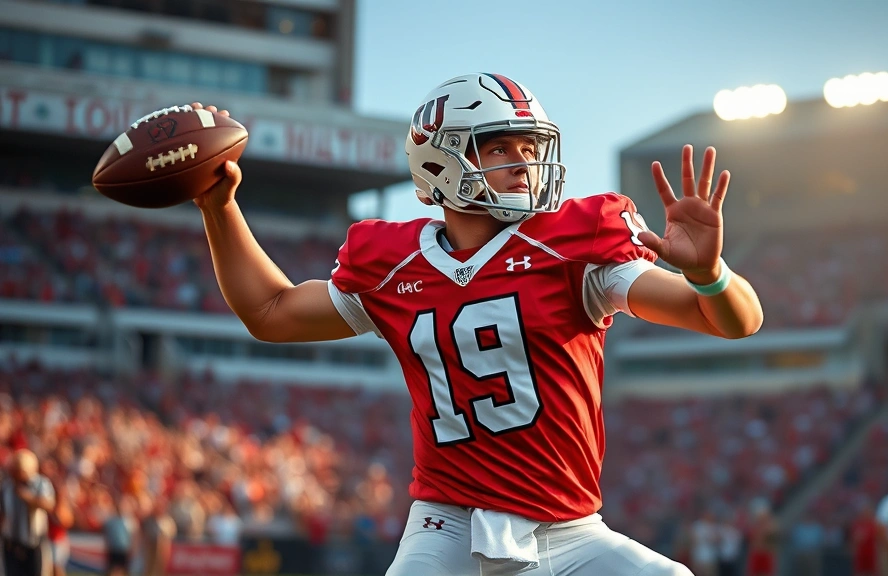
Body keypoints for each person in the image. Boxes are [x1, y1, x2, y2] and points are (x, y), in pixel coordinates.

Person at [187, 71, 763, 575]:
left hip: (569, 530)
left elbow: (730, 321)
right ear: (439, 158)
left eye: (529, 146)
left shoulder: (572, 246)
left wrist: (710, 273)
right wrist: (220, 208)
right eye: (499, 147)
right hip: (447, 526)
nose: (524, 163)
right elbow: (270, 313)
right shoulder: (393, 264)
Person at [0, 449, 55, 576]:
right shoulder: (6, 487)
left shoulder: (41, 484)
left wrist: (29, 498)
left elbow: (49, 505)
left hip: (34, 544)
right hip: (11, 545)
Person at [102, 494, 138, 576]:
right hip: (113, 549)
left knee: (123, 570)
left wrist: (133, 549)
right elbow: (107, 534)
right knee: (111, 570)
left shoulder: (130, 521)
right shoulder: (111, 520)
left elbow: (134, 536)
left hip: (124, 550)